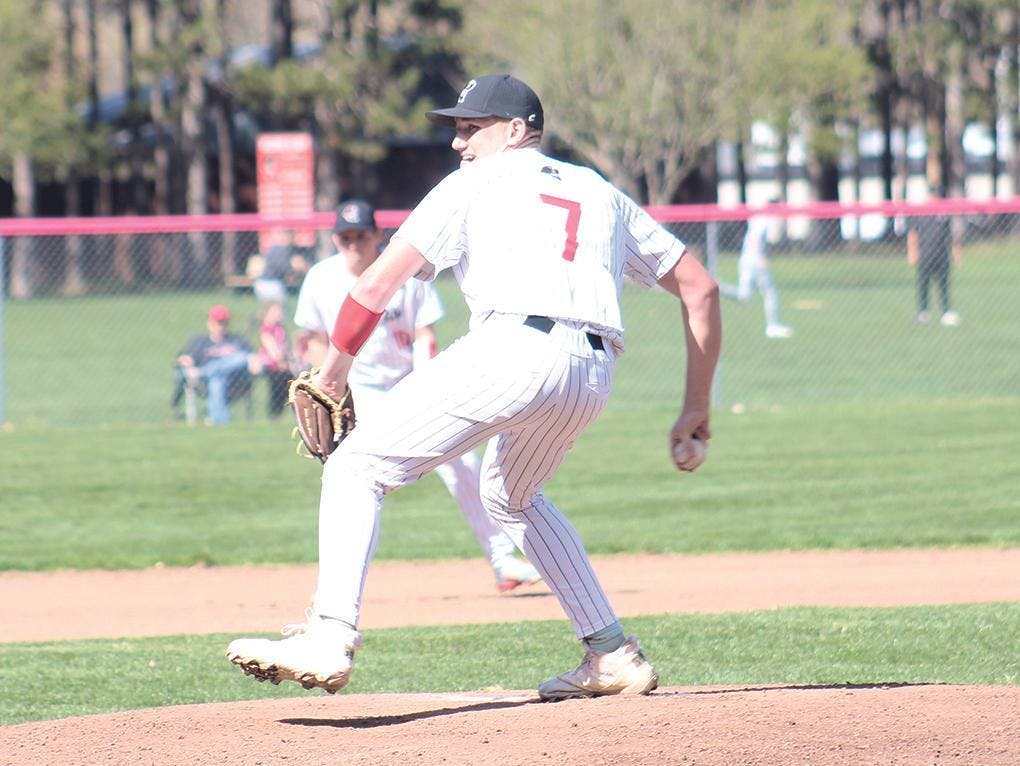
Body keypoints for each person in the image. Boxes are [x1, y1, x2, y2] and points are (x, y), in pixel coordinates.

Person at [227, 74, 722, 701]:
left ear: (515, 130)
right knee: (511, 496)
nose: (458, 144)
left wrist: (332, 373)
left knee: (356, 466)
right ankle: (611, 653)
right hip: (593, 372)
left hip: (513, 349)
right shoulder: (600, 191)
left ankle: (328, 636)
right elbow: (700, 289)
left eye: (470, 128)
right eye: (457, 130)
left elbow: (375, 286)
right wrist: (695, 407)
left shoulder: (474, 183)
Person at [292, 198, 542, 593]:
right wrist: (330, 389)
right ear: (335, 239)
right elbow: (315, 340)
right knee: (348, 477)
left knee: (463, 462)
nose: (353, 244)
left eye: (361, 236)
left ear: (377, 235)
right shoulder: (321, 279)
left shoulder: (404, 273)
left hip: (409, 384)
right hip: (358, 394)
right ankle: (337, 588)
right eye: (345, 237)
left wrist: (428, 384)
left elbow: (425, 335)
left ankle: (503, 561)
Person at [720, 198, 793, 338]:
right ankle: (773, 326)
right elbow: (754, 240)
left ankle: (719, 287)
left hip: (746, 260)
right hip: (755, 261)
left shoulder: (758, 218)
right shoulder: (763, 220)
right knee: (770, 292)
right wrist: (760, 258)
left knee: (744, 296)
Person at [172, 304, 253, 425]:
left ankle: (205, 371)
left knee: (241, 357)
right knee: (217, 381)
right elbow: (185, 360)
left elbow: (252, 359)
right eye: (217, 322)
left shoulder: (237, 340)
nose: (221, 326)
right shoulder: (199, 342)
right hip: (206, 384)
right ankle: (221, 423)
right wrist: (186, 364)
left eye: (224, 322)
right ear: (209, 323)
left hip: (235, 382)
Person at [907, 186, 961, 326]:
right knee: (923, 284)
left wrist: (956, 251)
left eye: (937, 196)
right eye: (933, 196)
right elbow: (912, 234)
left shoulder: (944, 214)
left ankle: (946, 312)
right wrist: (912, 252)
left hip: (942, 254)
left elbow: (950, 235)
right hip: (925, 254)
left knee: (943, 284)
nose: (934, 199)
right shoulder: (920, 213)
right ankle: (923, 312)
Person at [248, 301, 295, 418]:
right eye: (275, 312)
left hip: (282, 363)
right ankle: (274, 413)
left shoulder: (280, 329)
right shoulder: (266, 330)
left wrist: (289, 360)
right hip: (270, 363)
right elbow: (274, 352)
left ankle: (281, 411)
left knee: (289, 378)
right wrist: (283, 361)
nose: (278, 314)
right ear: (267, 314)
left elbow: (286, 349)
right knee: (280, 377)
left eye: (280, 311)